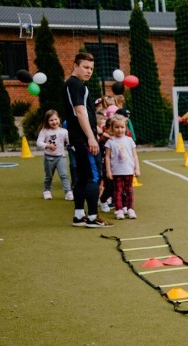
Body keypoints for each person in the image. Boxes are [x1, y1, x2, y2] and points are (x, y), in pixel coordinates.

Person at [63, 51, 111, 228]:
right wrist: (91, 138)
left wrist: (97, 131)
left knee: (83, 177)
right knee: (93, 176)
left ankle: (78, 215)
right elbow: (80, 112)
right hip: (83, 139)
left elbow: (86, 114)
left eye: (91, 68)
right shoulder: (75, 84)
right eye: (85, 67)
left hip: (82, 137)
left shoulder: (78, 85)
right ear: (75, 65)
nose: (89, 71)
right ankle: (92, 218)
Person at [104, 114, 140, 220]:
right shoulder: (110, 142)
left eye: (122, 127)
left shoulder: (129, 140)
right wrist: (108, 171)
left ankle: (130, 209)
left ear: (125, 128)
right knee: (118, 190)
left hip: (128, 170)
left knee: (129, 190)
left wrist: (137, 168)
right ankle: (119, 209)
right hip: (117, 171)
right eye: (117, 127)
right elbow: (107, 157)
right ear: (112, 128)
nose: (120, 130)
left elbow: (134, 155)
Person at [35, 109, 72, 201]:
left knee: (64, 175)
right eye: (51, 120)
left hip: (61, 157)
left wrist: (73, 146)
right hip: (49, 158)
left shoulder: (64, 131)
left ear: (59, 119)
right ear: (47, 121)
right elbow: (39, 142)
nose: (54, 122)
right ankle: (47, 191)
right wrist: (47, 145)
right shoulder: (44, 131)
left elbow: (69, 143)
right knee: (49, 176)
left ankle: (68, 192)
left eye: (56, 119)